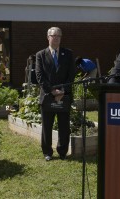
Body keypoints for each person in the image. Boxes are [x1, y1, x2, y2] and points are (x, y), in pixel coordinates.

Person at [35, 27, 76, 161]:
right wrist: (52, 91)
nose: (56, 38)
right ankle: (47, 152)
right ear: (48, 37)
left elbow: (71, 74)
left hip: (64, 95)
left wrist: (63, 90)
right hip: (47, 96)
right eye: (54, 35)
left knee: (64, 126)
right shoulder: (40, 55)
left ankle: (62, 151)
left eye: (59, 36)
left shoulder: (68, 54)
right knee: (47, 126)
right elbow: (40, 76)